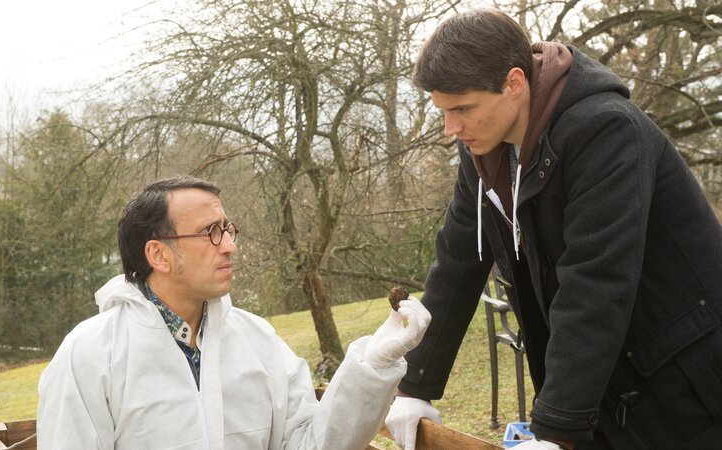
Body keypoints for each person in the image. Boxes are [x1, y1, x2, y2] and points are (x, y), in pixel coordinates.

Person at [384, 8, 722, 450]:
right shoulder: (483, 153)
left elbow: (595, 282)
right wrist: (416, 385)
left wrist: (556, 429)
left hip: (690, 389)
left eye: (463, 108)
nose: (452, 129)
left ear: (514, 83)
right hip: (604, 387)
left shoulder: (605, 130)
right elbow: (459, 260)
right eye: (443, 112)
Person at [37, 175, 431, 449]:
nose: (229, 246)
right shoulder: (90, 354)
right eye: (211, 232)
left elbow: (310, 444)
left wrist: (374, 364)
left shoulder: (257, 340)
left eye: (229, 230)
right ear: (158, 254)